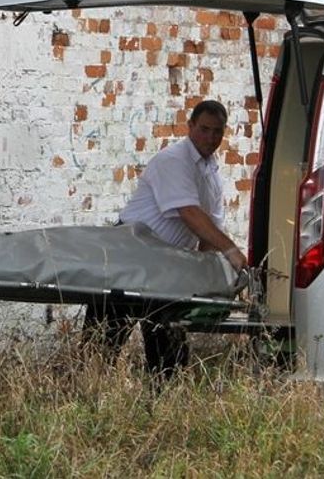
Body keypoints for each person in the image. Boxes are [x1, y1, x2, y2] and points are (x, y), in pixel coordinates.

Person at [83, 99, 247, 376]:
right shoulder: (174, 160)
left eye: (217, 131)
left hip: (166, 267)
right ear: (190, 126)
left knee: (168, 351)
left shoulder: (212, 174)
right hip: (129, 256)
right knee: (102, 345)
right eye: (204, 129)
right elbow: (189, 213)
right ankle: (85, 396)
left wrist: (204, 275)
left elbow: (208, 232)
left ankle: (161, 403)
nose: (210, 137)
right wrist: (231, 251)